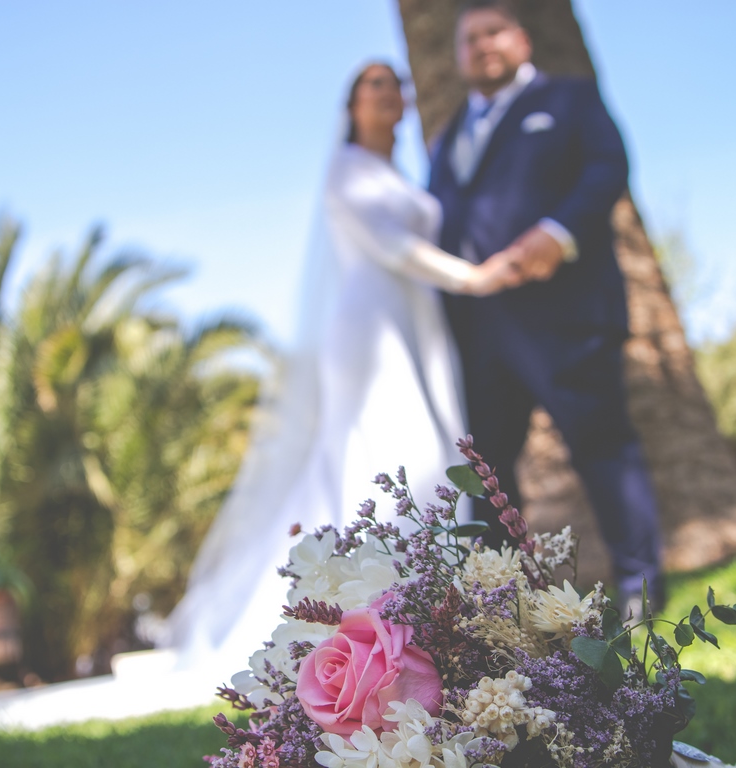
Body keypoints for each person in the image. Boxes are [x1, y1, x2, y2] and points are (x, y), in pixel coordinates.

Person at [161, 62, 514, 675]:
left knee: (429, 452)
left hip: (414, 322)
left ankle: (430, 605)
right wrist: (474, 278)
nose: (387, 92)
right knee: (387, 453)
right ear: (351, 107)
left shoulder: (395, 173)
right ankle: (362, 606)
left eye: (394, 84)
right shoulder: (346, 170)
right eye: (372, 84)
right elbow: (391, 245)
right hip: (371, 330)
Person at [427, 0, 665, 609]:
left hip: (565, 315)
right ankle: (502, 609)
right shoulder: (450, 132)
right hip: (477, 329)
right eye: (469, 38)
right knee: (487, 471)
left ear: (522, 40)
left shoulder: (569, 99)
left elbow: (607, 166)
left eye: (493, 32)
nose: (482, 45)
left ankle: (640, 589)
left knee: (601, 445)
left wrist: (558, 234)